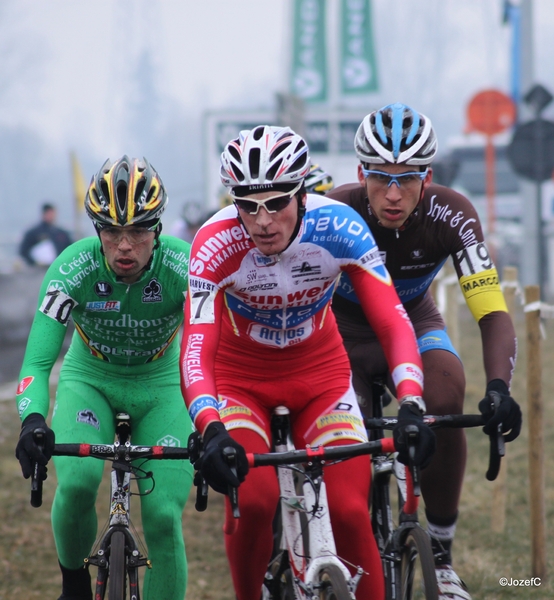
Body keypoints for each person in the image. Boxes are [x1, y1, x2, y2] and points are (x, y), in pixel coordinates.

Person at [179, 125, 435, 600]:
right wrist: (210, 427)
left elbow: (393, 321)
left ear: (301, 192)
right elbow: (196, 345)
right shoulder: (214, 242)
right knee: (253, 503)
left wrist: (413, 403)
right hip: (241, 382)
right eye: (247, 205)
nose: (261, 221)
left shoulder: (337, 226)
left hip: (320, 375)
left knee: (351, 511)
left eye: (276, 203)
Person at [326, 103, 522, 600]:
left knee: (445, 391)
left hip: (413, 320)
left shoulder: (452, 213)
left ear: (428, 177)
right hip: (343, 333)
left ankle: (440, 550)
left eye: (408, 179)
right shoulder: (333, 208)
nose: (393, 194)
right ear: (360, 174)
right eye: (380, 178)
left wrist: (500, 387)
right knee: (348, 428)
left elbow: (492, 309)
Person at [15, 156, 194, 600]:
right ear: (97, 231)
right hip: (90, 378)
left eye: (138, 231)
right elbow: (37, 364)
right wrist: (32, 420)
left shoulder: (184, 266)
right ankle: (74, 586)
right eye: (112, 232)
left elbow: (209, 353)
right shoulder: (72, 268)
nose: (124, 246)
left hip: (162, 384)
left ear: (158, 228)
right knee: (75, 484)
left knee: (164, 518)